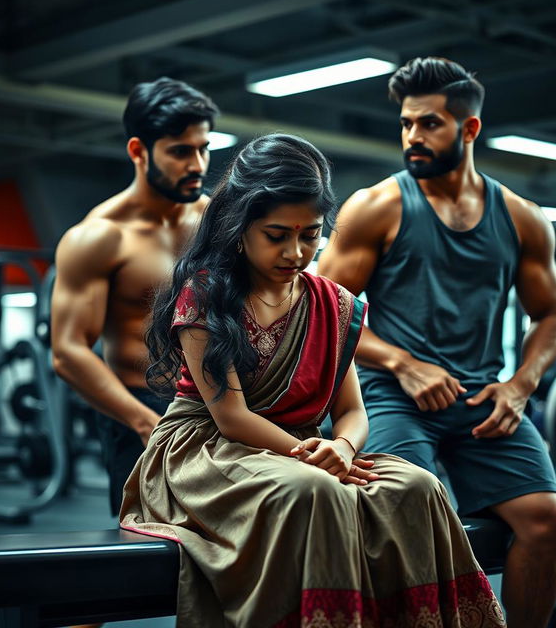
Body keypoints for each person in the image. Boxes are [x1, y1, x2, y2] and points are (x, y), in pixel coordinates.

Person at [120, 133, 506, 628]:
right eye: (276, 235)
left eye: (311, 235)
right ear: (240, 227)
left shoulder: (335, 303)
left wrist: (343, 450)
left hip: (308, 452)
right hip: (207, 450)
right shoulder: (205, 295)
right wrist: (317, 462)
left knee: (417, 486)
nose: (296, 252)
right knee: (313, 491)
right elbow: (232, 417)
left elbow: (351, 412)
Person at [318, 57, 556, 628]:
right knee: (412, 515)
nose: (413, 136)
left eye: (429, 123)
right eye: (406, 123)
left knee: (546, 519)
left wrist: (521, 386)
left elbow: (551, 315)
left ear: (469, 129)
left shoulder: (523, 219)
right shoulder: (376, 207)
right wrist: (401, 363)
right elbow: (323, 310)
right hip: (390, 396)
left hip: (483, 400)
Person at [52, 78, 219, 516]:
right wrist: (145, 422)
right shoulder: (98, 237)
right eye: (181, 151)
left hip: (216, 402)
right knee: (151, 550)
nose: (198, 163)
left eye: (203, 148)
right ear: (138, 151)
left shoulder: (214, 222)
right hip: (140, 408)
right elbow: (68, 351)